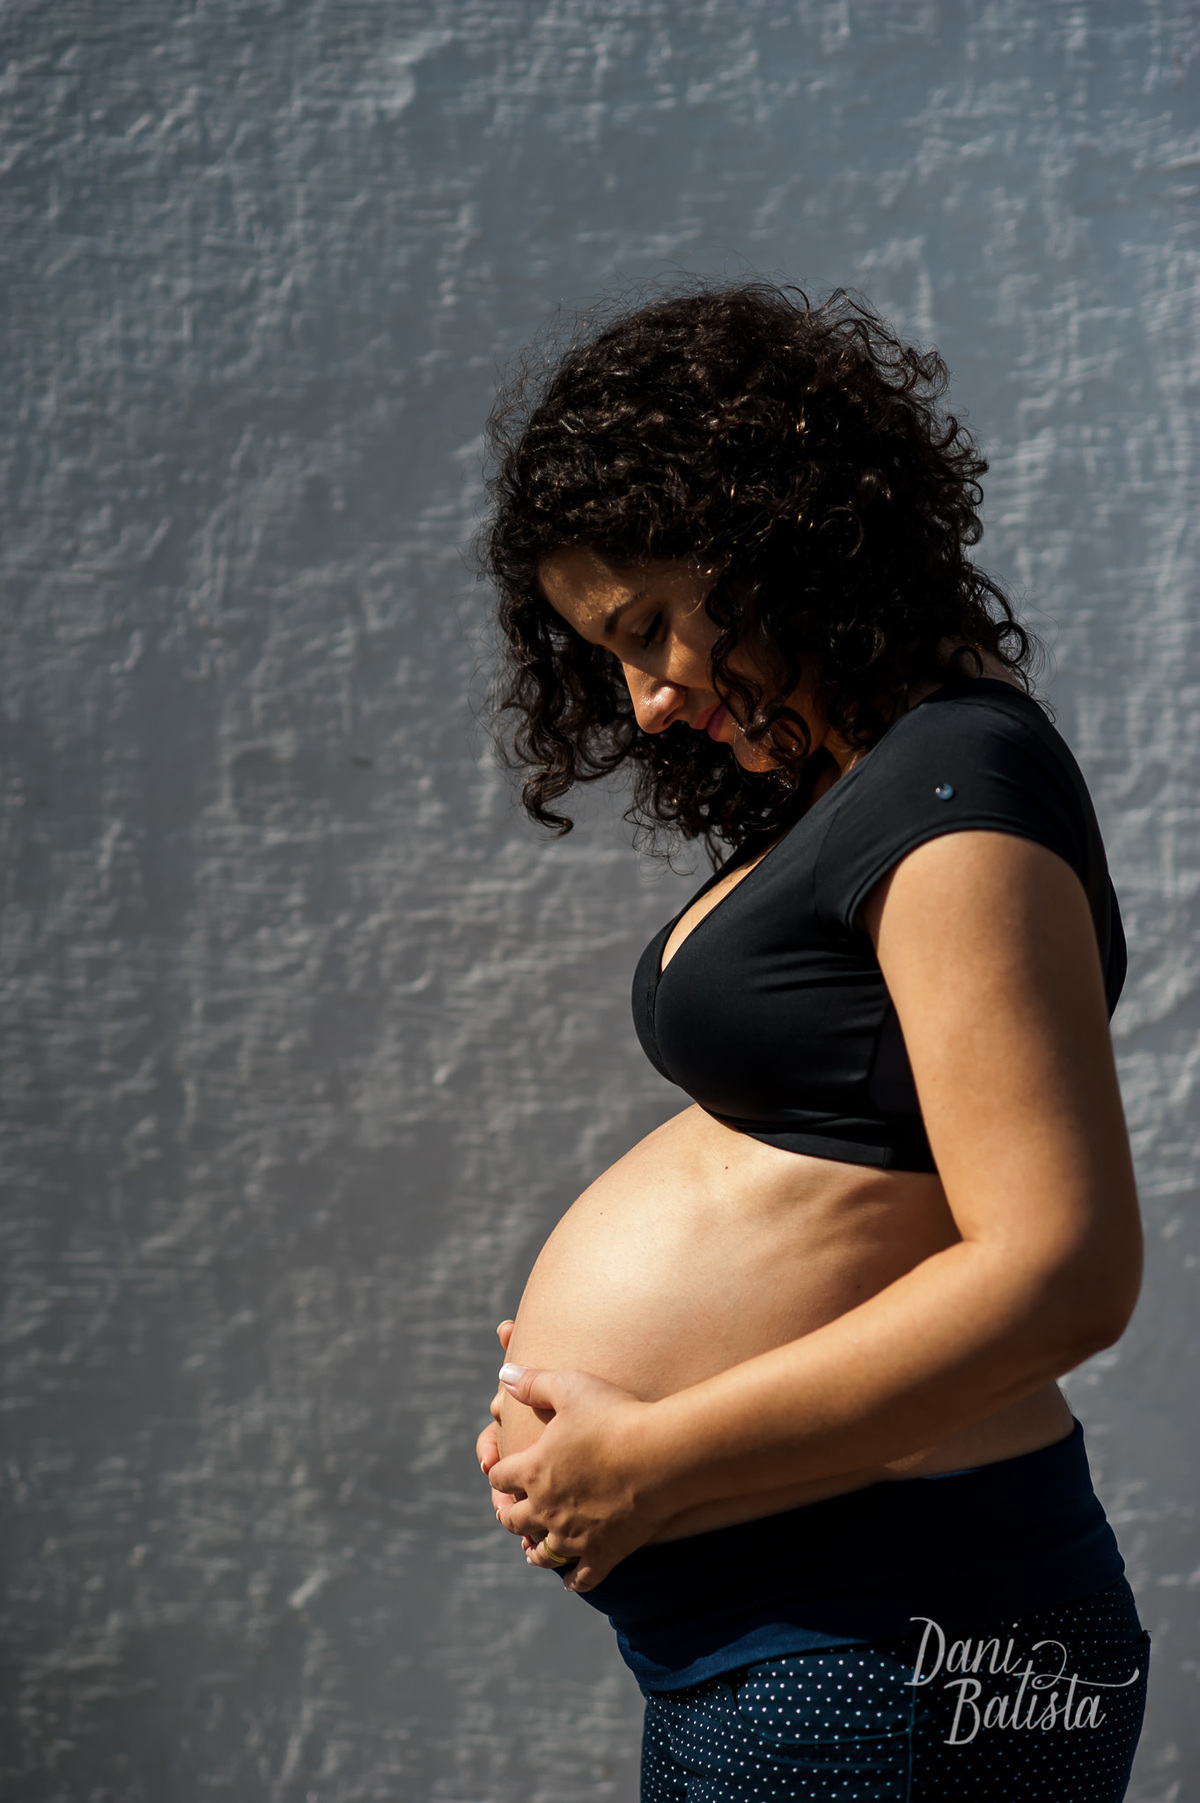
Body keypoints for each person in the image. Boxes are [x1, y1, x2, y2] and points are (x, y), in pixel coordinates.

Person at [474, 283, 1150, 1801]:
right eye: (609, 654)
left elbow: (1063, 1268)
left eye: (651, 628)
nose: (646, 701)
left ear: (771, 533)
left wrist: (649, 1458)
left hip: (898, 1642)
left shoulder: (954, 791)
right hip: (806, 1643)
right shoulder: (882, 780)